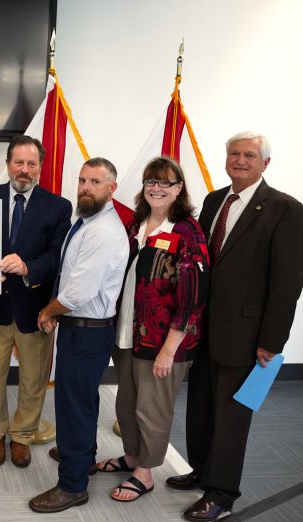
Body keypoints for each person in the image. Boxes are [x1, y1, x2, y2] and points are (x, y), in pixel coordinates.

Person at [167, 132, 303, 521]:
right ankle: (201, 471)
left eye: (249, 155)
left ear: (265, 163)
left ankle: (222, 492)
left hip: (247, 335)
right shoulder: (215, 200)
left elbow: (287, 283)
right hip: (204, 328)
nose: (240, 160)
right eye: (234, 153)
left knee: (231, 416)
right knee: (200, 407)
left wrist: (272, 340)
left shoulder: (284, 208)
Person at [96, 157, 209, 503]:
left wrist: (169, 350)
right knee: (126, 404)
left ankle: (145, 473)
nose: (157, 188)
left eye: (165, 182)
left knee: (152, 410)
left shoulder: (187, 232)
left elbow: (193, 298)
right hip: (127, 335)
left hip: (162, 343)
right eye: (151, 181)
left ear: (179, 189)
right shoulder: (136, 225)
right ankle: (131, 457)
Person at [28, 157, 128, 513]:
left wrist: (47, 311)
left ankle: (72, 486)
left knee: (73, 408)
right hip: (82, 330)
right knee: (82, 401)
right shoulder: (88, 221)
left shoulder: (103, 232)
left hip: (86, 332)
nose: (86, 187)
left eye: (95, 182)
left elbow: (77, 293)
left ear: (111, 189)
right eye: (83, 180)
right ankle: (83, 457)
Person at [0, 135, 71, 468]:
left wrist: (28, 267)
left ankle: (22, 436)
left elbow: (57, 256)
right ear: (7, 164)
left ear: (40, 168)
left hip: (37, 309)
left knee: (33, 378)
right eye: (18, 162)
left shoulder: (58, 207)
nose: (24, 170)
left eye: (32, 164)